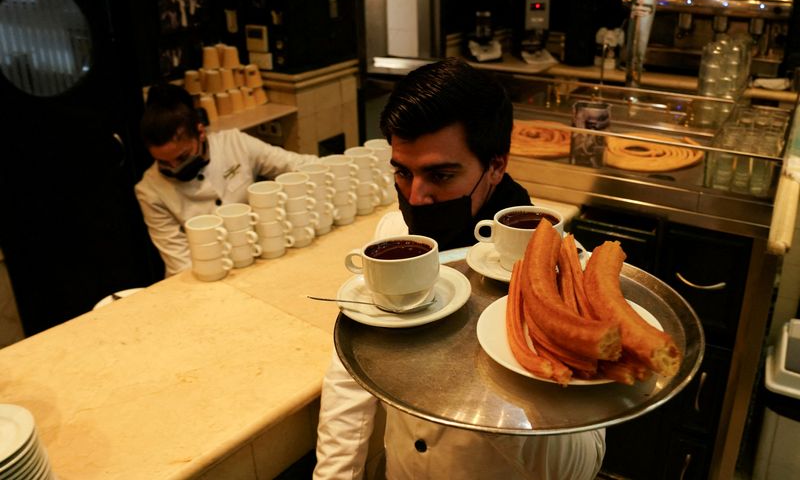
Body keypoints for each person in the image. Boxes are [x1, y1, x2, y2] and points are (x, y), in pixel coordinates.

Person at [313, 58, 605, 479]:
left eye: (441, 175)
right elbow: (352, 373)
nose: (417, 197)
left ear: (496, 166)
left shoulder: (563, 268)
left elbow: (584, 461)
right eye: (402, 172)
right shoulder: (394, 234)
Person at [134, 83, 319, 276]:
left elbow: (296, 165)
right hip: (206, 276)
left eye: (182, 157)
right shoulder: (149, 190)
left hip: (259, 259)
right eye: (163, 162)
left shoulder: (235, 143)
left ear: (200, 132)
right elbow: (181, 265)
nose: (175, 168)